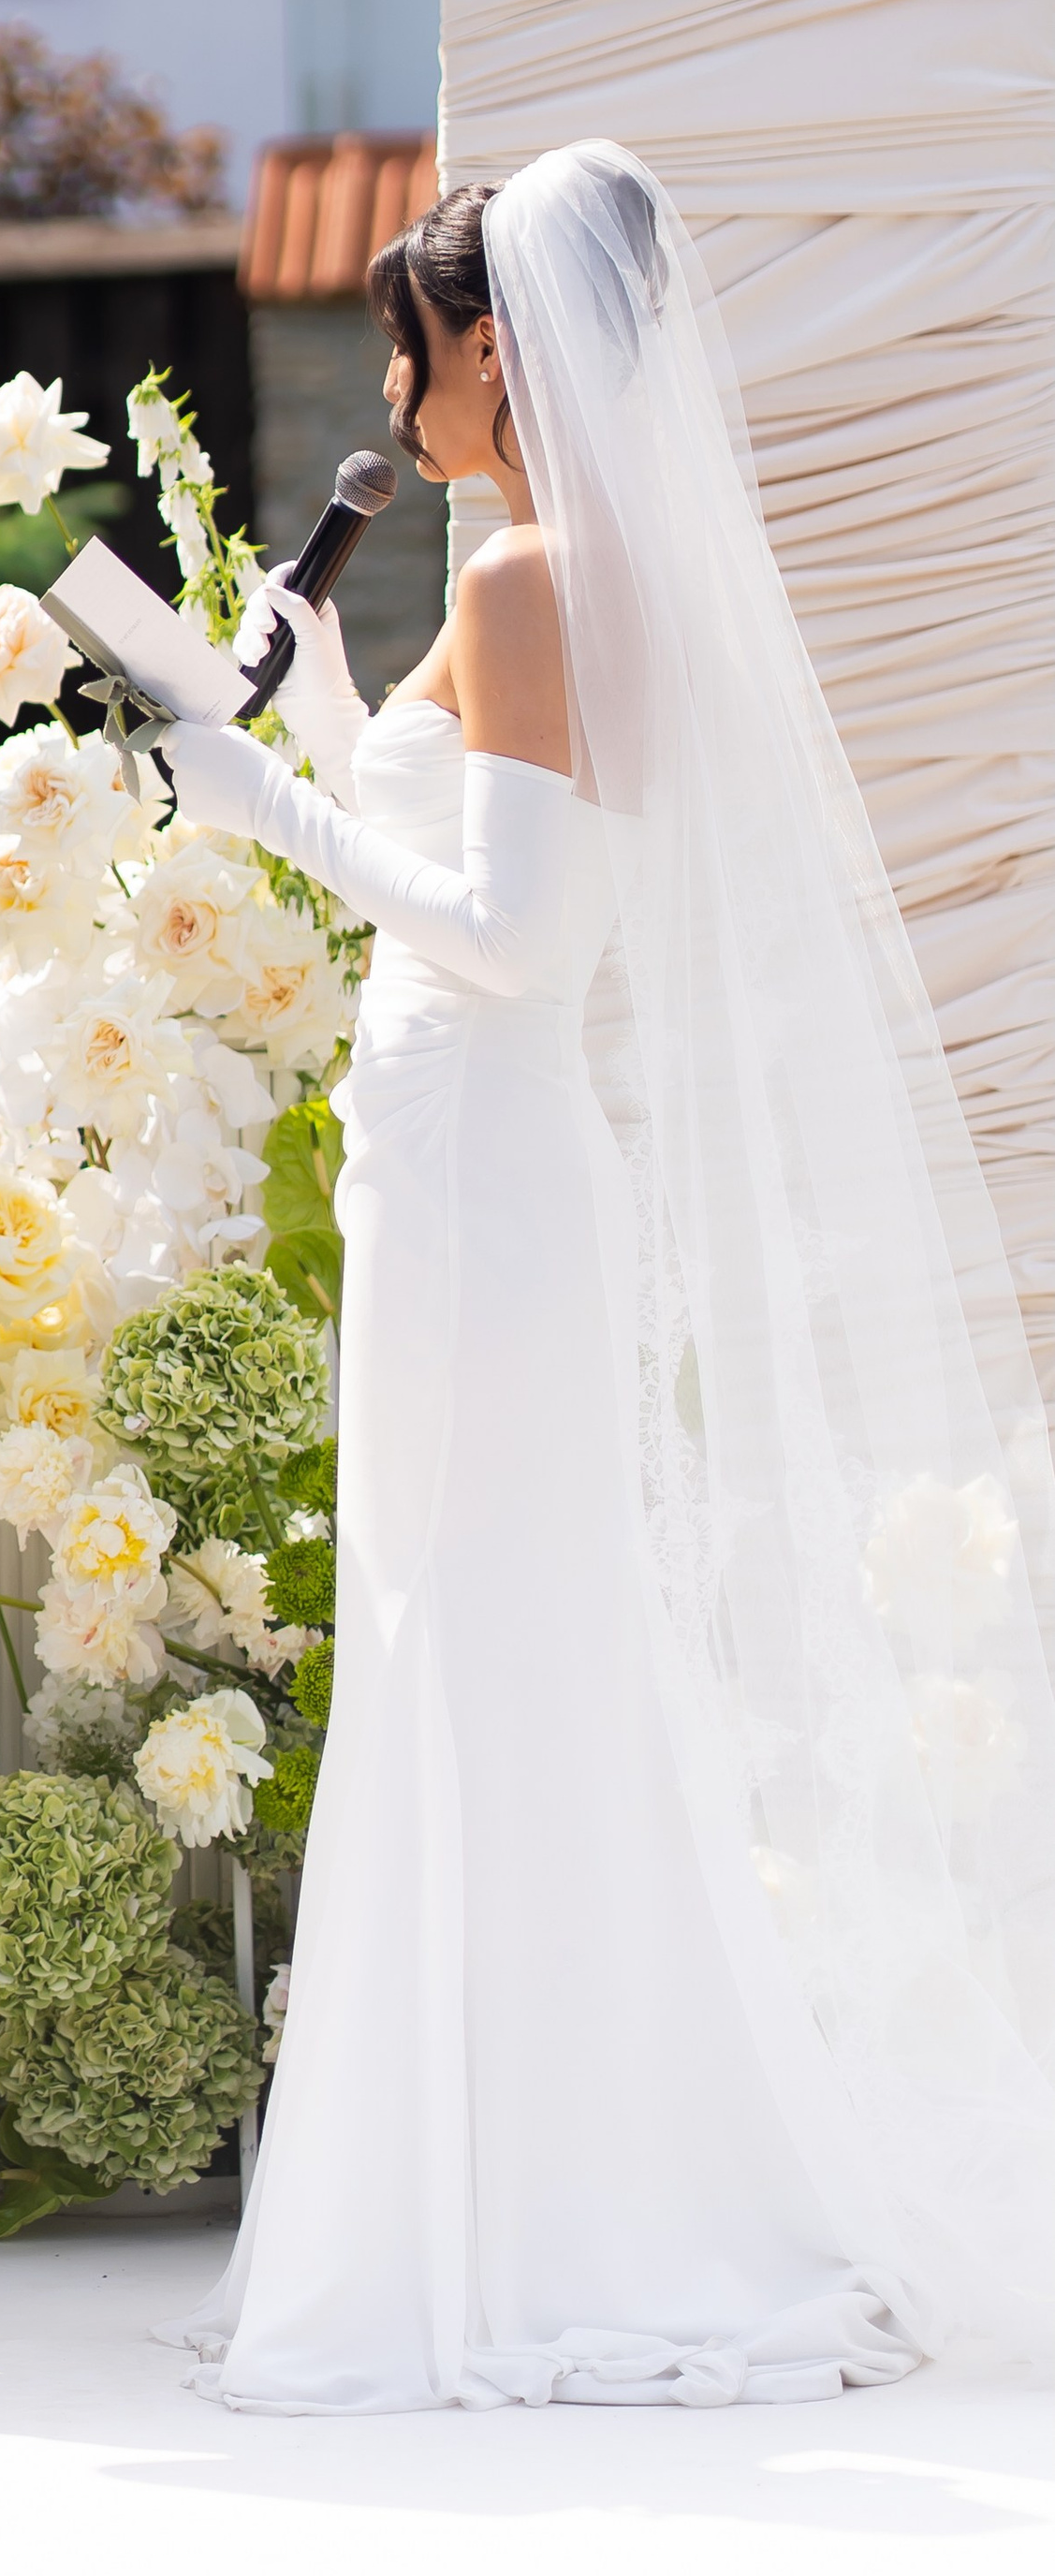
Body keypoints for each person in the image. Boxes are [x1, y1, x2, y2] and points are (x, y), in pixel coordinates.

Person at [154, 140, 1055, 2413]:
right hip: (464, 1156)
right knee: (475, 1635)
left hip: (479, 1156)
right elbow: (452, 851)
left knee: (471, 1645)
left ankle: (507, 2225)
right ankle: (493, 2189)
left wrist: (248, 799)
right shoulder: (554, 571)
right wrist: (310, 702)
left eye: (408, 351)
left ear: (487, 346)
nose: (391, 393)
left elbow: (512, 935)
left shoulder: (533, 572)